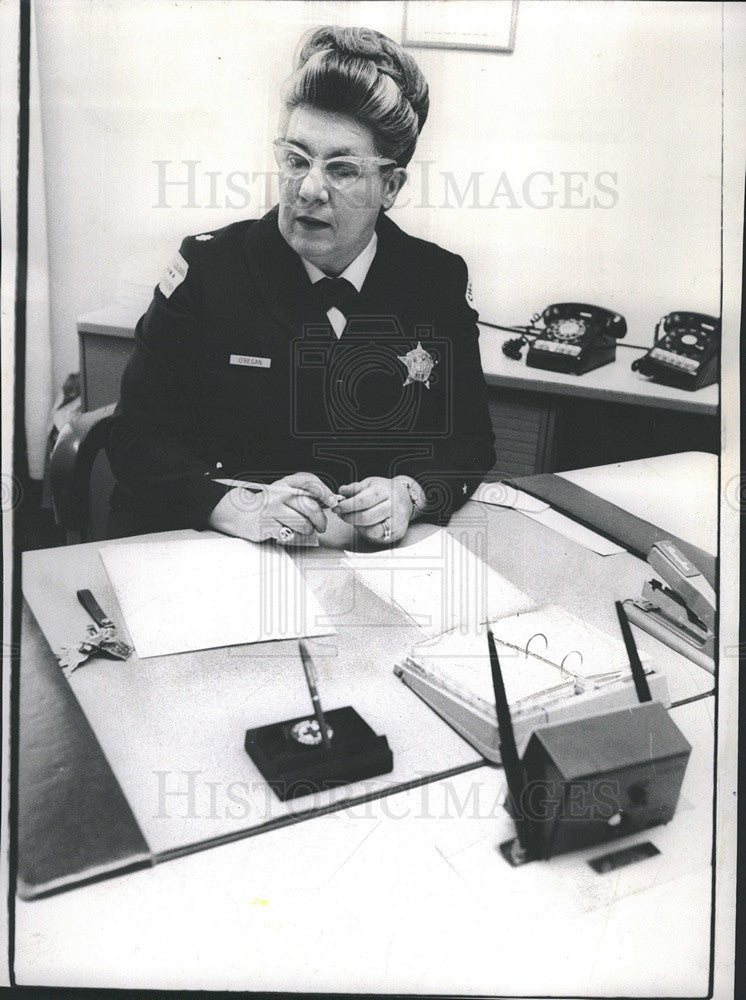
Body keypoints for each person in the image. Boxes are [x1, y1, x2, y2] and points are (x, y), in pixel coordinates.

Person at [107, 25, 496, 545]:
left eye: (342, 169)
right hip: (222, 554)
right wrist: (235, 506)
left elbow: (470, 440)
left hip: (369, 563)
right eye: (296, 159)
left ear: (391, 187)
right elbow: (136, 437)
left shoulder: (436, 279)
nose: (309, 189)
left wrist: (411, 492)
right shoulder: (210, 268)